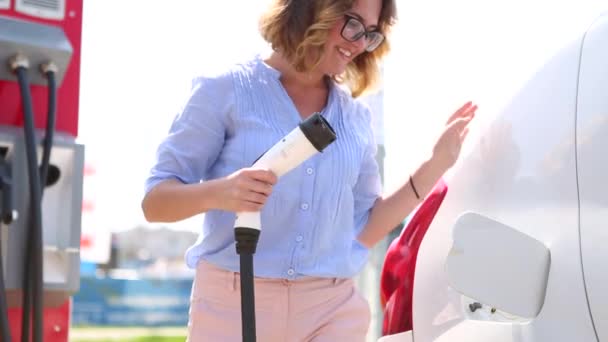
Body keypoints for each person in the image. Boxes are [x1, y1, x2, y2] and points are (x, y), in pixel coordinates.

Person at [141, 0, 477, 340]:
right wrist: (221, 192)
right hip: (233, 306)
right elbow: (155, 202)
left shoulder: (355, 118)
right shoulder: (223, 90)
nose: (359, 43)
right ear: (313, 9)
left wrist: (436, 163)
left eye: (370, 34)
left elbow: (366, 225)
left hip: (331, 309)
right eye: (352, 24)